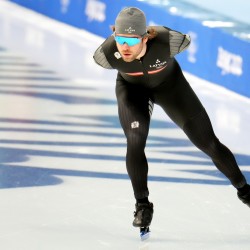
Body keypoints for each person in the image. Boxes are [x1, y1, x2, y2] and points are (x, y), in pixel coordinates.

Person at [93, 7, 250, 229]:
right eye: (120, 38)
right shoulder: (106, 54)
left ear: (145, 37)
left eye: (132, 39)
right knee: (135, 140)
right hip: (132, 91)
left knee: (208, 142)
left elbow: (187, 40)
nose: (125, 47)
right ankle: (142, 205)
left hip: (171, 88)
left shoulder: (169, 41)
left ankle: (245, 191)